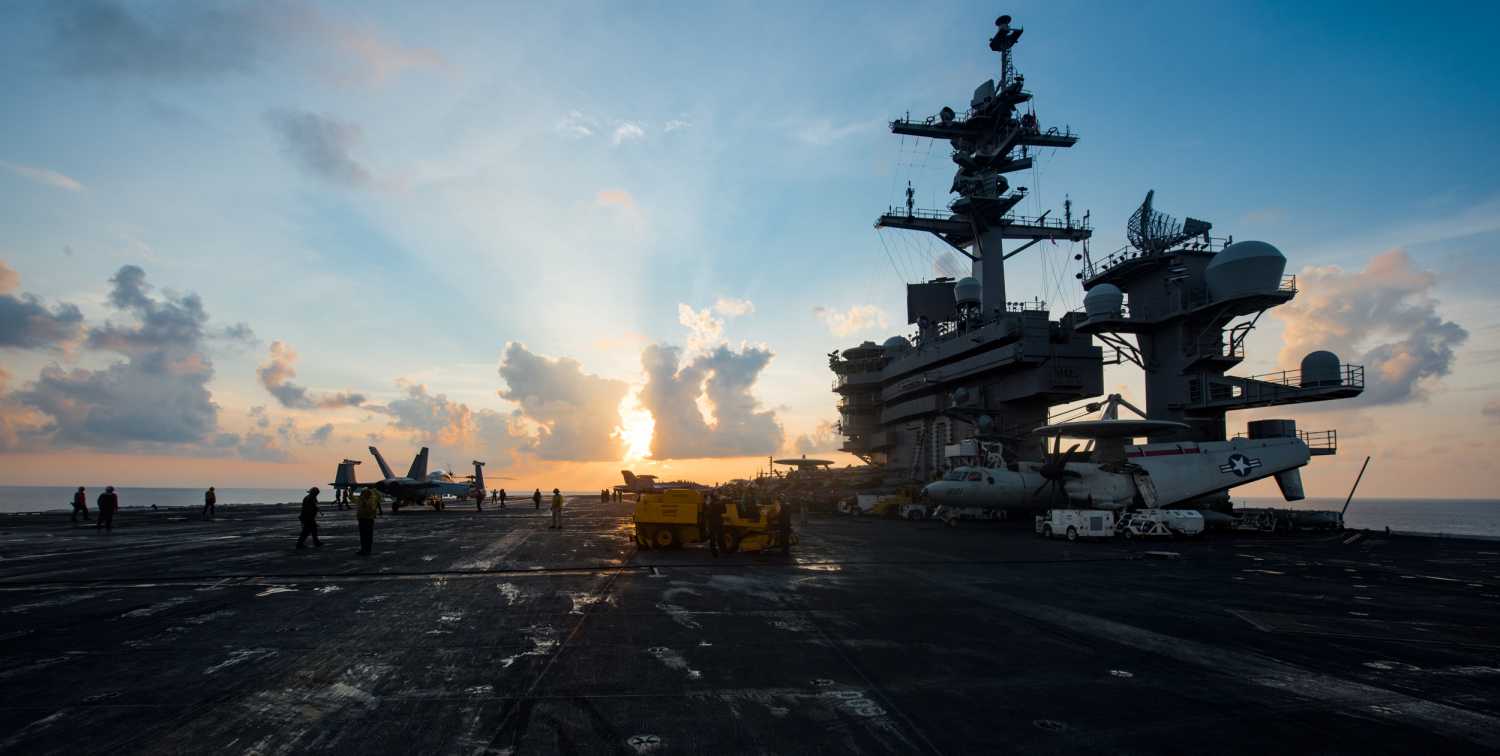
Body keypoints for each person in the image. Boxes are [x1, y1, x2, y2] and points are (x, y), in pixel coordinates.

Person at [355, 487, 380, 555]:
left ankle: (367, 550)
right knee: (363, 536)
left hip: (368, 519)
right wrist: (350, 492)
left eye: (363, 493)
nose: (362, 494)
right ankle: (364, 549)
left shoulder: (371, 500)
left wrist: (374, 490)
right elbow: (353, 499)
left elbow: (372, 509)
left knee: (368, 536)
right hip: (362, 519)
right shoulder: (361, 499)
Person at [703, 492, 724, 558]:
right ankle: (723, 550)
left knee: (712, 538)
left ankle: (714, 553)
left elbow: (708, 514)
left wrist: (705, 512)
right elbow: (723, 510)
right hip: (719, 522)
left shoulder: (711, 504)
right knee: (720, 537)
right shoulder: (720, 503)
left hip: (712, 523)